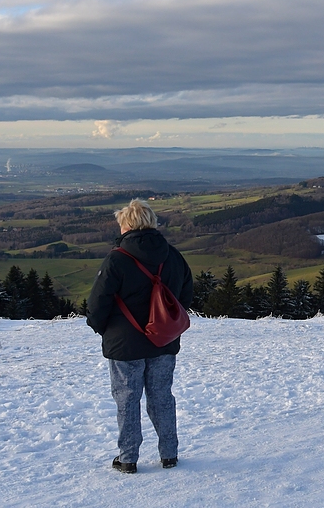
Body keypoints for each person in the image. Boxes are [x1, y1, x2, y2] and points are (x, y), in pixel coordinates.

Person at [86, 199, 194, 474]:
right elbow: (185, 295)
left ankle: (128, 458)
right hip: (164, 341)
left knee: (127, 399)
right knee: (161, 397)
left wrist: (104, 329)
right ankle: (169, 454)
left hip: (125, 345)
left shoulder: (117, 259)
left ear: (128, 224)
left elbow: (98, 303)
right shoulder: (173, 255)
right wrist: (167, 323)